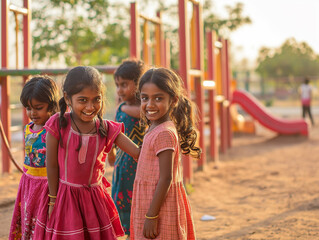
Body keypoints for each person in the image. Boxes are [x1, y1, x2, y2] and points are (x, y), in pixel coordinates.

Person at [33, 66, 140, 240]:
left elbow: (136, 152)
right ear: (67, 97)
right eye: (82, 100)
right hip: (64, 197)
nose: (90, 107)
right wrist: (53, 199)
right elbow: (51, 165)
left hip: (95, 201)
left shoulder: (105, 128)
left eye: (96, 99)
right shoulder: (58, 124)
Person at [130, 68, 201, 240]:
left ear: (173, 100)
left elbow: (166, 178)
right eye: (145, 98)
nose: (150, 104)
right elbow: (143, 157)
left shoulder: (164, 133)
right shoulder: (154, 127)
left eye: (158, 98)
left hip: (159, 206)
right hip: (150, 200)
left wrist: (152, 216)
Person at [9, 76, 59, 239]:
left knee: (45, 221)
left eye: (38, 107)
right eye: (28, 108)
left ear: (51, 106)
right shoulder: (28, 129)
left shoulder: (55, 129)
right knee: (29, 219)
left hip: (47, 186)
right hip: (29, 184)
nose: (32, 113)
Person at [111, 59, 147, 238]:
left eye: (124, 84)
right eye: (118, 85)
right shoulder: (121, 108)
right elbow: (114, 134)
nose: (120, 90)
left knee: (140, 203)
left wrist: (123, 107)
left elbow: (143, 112)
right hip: (122, 166)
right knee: (123, 202)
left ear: (138, 83)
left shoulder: (147, 107)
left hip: (140, 167)